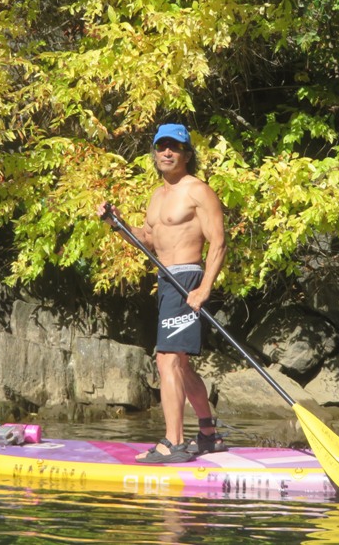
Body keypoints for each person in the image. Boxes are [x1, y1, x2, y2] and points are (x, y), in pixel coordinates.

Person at [98, 123, 227, 463]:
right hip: (166, 281)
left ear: (186, 154)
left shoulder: (197, 190)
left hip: (187, 279)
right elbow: (151, 241)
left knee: (167, 359)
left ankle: (174, 443)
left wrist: (204, 288)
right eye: (161, 147)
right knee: (180, 365)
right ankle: (208, 434)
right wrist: (118, 224)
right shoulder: (157, 196)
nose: (166, 152)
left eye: (174, 147)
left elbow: (219, 241)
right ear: (154, 152)